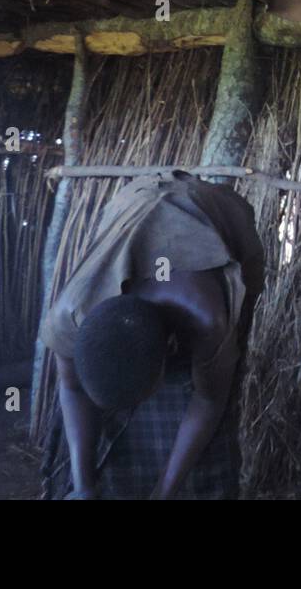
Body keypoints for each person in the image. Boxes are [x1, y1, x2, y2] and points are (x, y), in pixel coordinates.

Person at [41, 170, 264, 500]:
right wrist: (84, 485)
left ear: (167, 357)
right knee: (99, 455)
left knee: (209, 425)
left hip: (217, 218)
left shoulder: (208, 318)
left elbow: (209, 399)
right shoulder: (70, 315)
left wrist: (163, 493)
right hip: (132, 205)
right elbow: (71, 387)